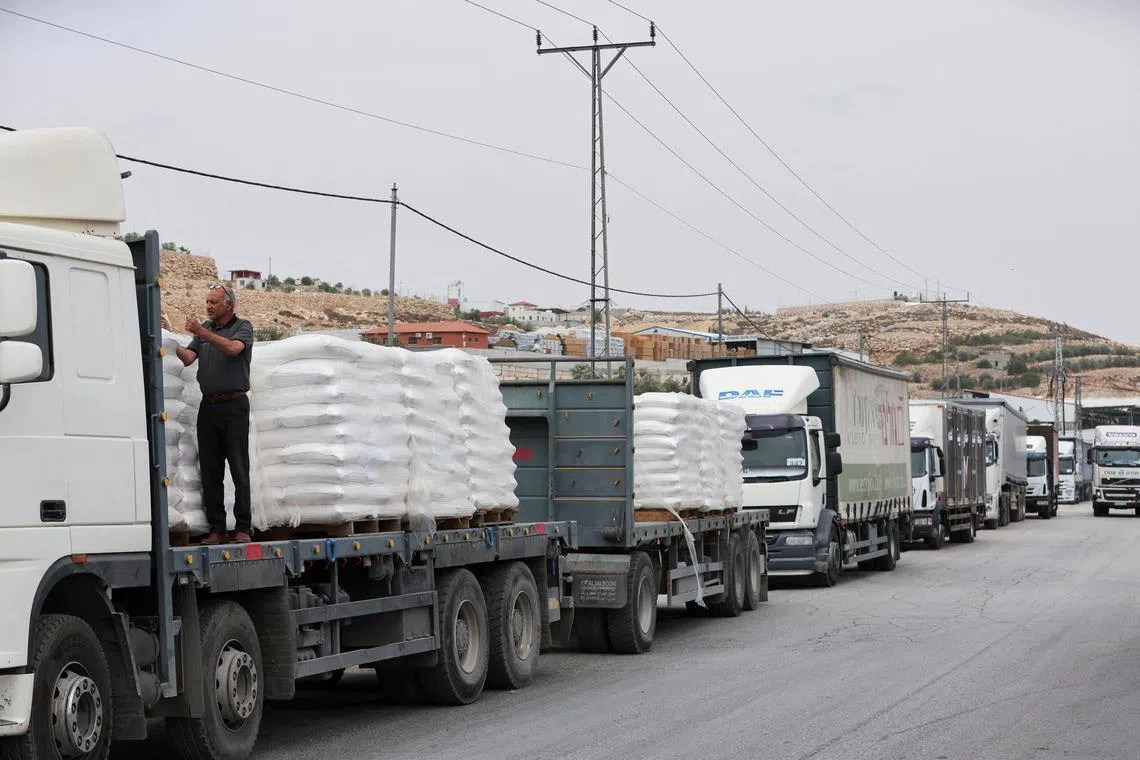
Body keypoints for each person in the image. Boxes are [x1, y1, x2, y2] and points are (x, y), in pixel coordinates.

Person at [165, 284, 255, 544]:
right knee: (210, 469)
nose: (209, 306)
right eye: (207, 301)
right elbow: (188, 357)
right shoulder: (206, 329)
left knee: (238, 468)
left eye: (214, 302)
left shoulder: (243, 327)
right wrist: (169, 340)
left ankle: (242, 527)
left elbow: (232, 349)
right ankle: (217, 528)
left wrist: (202, 331)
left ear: (229, 305)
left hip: (234, 405)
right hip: (209, 406)